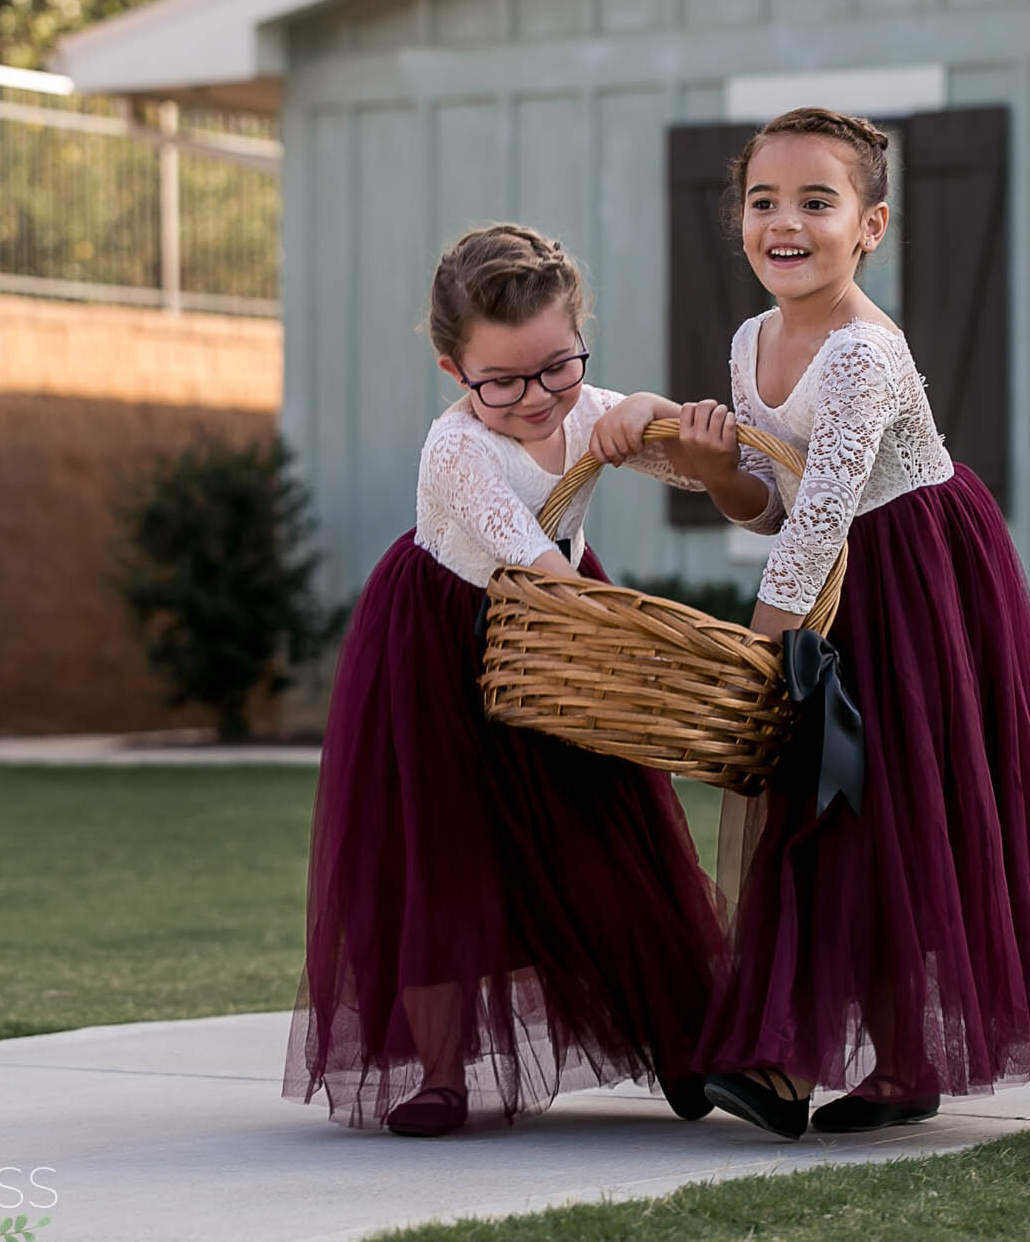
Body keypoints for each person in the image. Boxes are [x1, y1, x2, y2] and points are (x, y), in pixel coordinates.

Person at [590, 108, 1030, 1140]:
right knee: (817, 811)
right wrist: (709, 470)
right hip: (828, 581)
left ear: (867, 227)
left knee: (887, 806)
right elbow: (770, 506)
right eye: (762, 202)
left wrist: (753, 662)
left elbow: (820, 525)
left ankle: (896, 1057)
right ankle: (780, 1055)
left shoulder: (861, 356)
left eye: (815, 203)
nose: (783, 223)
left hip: (914, 576)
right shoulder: (752, 341)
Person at [285, 224, 724, 1138]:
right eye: (502, 382)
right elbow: (535, 566)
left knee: (608, 829)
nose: (535, 399)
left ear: (577, 337)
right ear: (454, 373)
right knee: (442, 851)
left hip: (558, 645)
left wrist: (643, 408)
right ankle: (440, 1072)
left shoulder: (579, 401)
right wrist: (630, 646)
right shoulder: (457, 451)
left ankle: (685, 1040)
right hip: (455, 636)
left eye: (557, 368)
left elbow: (682, 459)